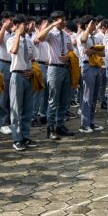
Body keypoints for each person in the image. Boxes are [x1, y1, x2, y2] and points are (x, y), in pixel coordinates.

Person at [34, 11, 76, 140]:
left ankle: (60, 125)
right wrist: (51, 25)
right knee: (53, 100)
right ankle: (50, 127)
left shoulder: (66, 35)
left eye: (64, 19)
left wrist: (68, 56)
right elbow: (39, 38)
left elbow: (70, 50)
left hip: (65, 68)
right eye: (60, 20)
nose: (63, 22)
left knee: (64, 99)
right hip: (54, 68)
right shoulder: (51, 34)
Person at [6, 14, 37, 150]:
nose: (27, 26)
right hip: (17, 75)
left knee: (28, 108)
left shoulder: (29, 41)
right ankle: (17, 139)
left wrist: (31, 70)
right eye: (24, 24)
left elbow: (33, 58)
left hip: (28, 76)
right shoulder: (11, 39)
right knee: (16, 109)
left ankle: (25, 136)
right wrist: (17, 35)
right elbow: (13, 51)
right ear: (17, 25)